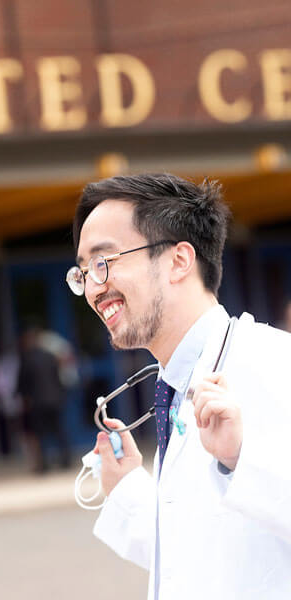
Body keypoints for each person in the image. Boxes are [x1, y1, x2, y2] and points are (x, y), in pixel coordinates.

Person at [68, 173, 291, 599]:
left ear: (178, 260)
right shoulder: (172, 387)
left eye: (104, 262)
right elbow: (205, 556)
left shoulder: (276, 363)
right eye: (83, 273)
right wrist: (129, 490)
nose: (94, 288)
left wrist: (241, 458)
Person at [17, 326, 71, 473]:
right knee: (59, 431)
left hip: (38, 402)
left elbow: (23, 382)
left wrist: (23, 398)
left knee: (41, 434)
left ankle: (43, 465)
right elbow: (59, 377)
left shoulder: (27, 359)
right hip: (54, 399)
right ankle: (66, 460)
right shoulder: (50, 357)